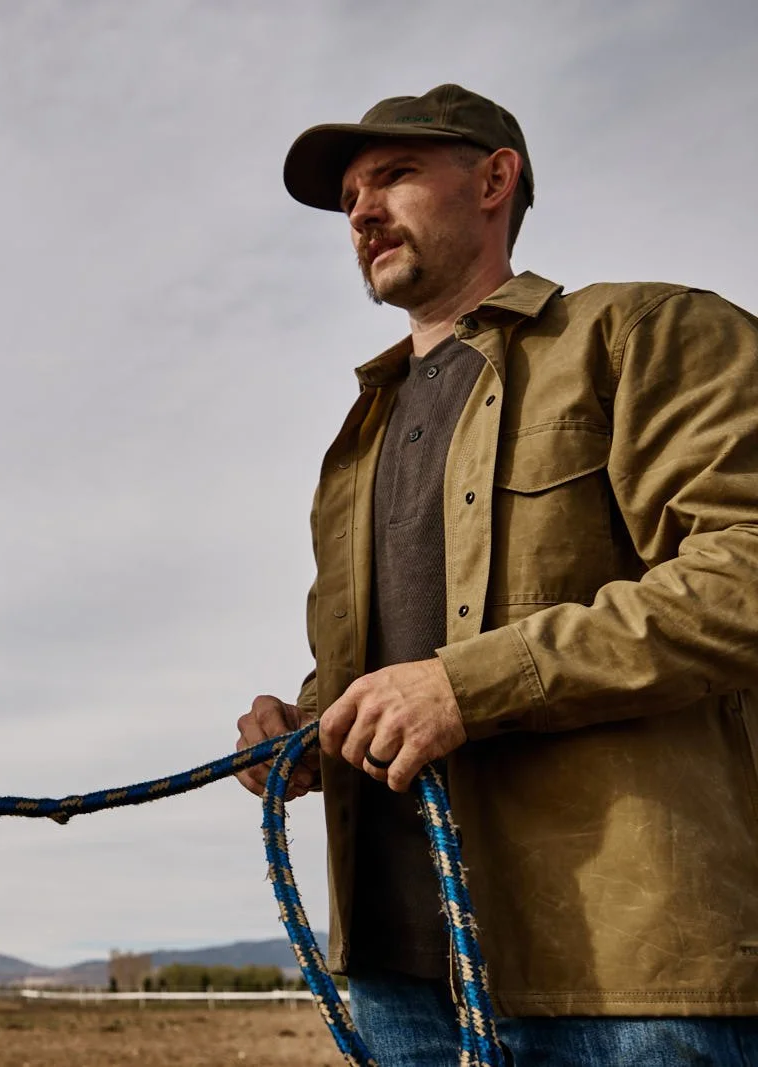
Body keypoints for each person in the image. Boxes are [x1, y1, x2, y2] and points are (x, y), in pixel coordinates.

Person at [234, 83, 758, 1064]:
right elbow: (396, 657)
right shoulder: (360, 438)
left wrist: (466, 686)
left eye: (390, 176)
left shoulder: (640, 332)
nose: (360, 211)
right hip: (398, 975)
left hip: (629, 977)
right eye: (348, 196)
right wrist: (306, 730)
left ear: (493, 179)